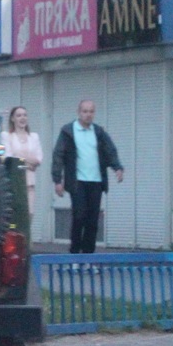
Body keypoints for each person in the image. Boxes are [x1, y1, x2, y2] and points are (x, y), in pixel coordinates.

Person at [51, 100, 124, 255]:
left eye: (91, 111)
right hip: (77, 182)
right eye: (85, 111)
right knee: (79, 217)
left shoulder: (98, 132)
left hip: (96, 181)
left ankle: (88, 256)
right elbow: (58, 155)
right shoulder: (68, 131)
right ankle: (75, 254)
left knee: (92, 221)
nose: (88, 114)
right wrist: (57, 180)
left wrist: (117, 167)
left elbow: (110, 150)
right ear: (79, 112)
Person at [0, 105, 43, 217]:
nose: (22, 118)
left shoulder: (34, 137)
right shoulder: (7, 136)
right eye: (19, 115)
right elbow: (9, 158)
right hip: (14, 183)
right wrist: (28, 162)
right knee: (15, 219)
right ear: (12, 119)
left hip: (29, 184)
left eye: (24, 115)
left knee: (29, 216)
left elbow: (38, 159)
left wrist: (20, 158)